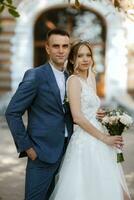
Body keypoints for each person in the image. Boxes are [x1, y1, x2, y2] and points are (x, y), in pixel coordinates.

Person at [49, 41, 131, 200]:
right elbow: (78, 117)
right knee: (88, 187)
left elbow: (91, 108)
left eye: (88, 55)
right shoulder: (73, 81)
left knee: (110, 185)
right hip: (86, 140)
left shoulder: (91, 77)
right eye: (80, 56)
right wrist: (105, 138)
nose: (85, 59)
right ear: (72, 60)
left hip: (100, 134)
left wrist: (102, 114)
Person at [5, 28, 73, 200]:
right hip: (41, 151)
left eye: (65, 46)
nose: (61, 50)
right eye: (56, 46)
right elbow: (12, 112)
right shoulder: (35, 75)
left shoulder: (70, 77)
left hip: (67, 150)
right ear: (47, 48)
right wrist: (27, 147)